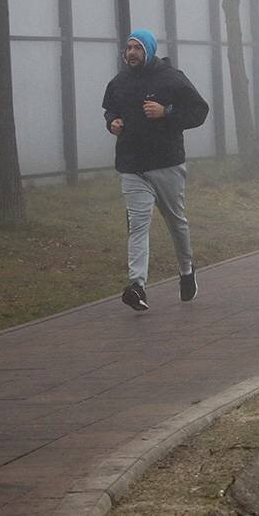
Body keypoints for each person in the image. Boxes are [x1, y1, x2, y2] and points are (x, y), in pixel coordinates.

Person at [102, 29, 209, 311]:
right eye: (128, 48)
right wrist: (112, 122)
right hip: (131, 165)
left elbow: (199, 111)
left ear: (149, 50)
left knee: (176, 222)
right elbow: (110, 110)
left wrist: (167, 112)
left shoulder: (172, 78)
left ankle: (187, 271)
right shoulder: (119, 82)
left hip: (167, 163)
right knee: (138, 225)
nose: (131, 53)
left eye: (137, 48)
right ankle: (137, 286)